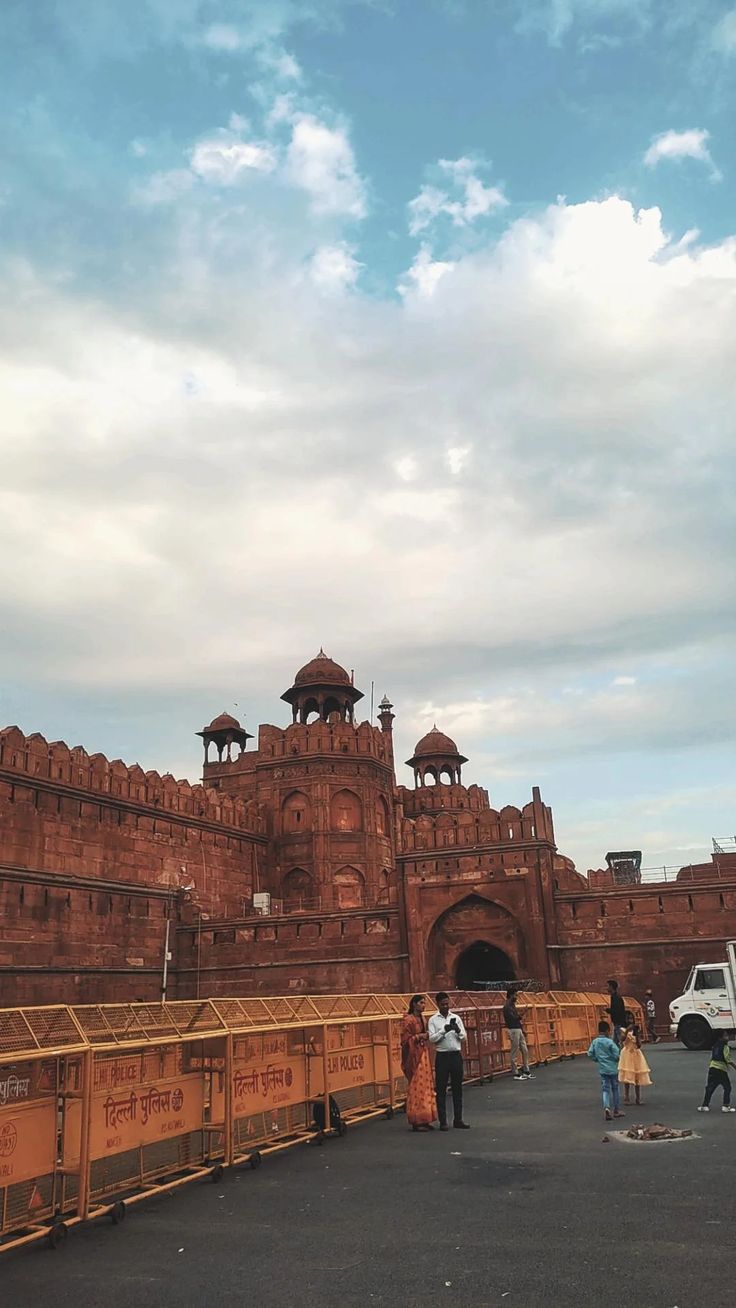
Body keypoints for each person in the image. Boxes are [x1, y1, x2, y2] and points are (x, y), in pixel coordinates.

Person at [428, 992, 470, 1130]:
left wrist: (457, 1030)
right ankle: (443, 1121)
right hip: (442, 1056)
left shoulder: (456, 1018)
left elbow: (463, 1038)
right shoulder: (433, 1020)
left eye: (447, 1004)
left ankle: (458, 1119)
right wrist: (443, 1031)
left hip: (455, 1055)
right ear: (438, 1004)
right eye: (443, 1004)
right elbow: (432, 1039)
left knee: (457, 1088)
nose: (446, 1006)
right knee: (441, 1089)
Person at [400, 995, 436, 1131]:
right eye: (421, 1003)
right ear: (414, 1004)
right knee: (417, 1088)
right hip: (414, 1056)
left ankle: (425, 1118)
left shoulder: (422, 1018)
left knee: (426, 1087)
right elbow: (404, 1041)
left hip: (423, 1053)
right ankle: (416, 1120)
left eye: (424, 1003)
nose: (423, 1005)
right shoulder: (408, 1020)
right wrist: (419, 1036)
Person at [587, 1019, 625, 1121]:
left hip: (603, 1069)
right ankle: (616, 1110)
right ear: (608, 1031)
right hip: (613, 1068)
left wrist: (597, 1059)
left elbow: (590, 1053)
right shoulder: (610, 1042)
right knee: (615, 1089)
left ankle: (607, 1108)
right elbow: (617, 1055)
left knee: (605, 1089)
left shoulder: (595, 1042)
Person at [698, 1030, 736, 1113]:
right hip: (721, 1069)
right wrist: (734, 1066)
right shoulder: (725, 1047)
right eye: (725, 1036)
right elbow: (727, 1059)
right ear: (721, 1037)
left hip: (712, 1068)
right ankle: (725, 1106)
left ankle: (705, 1105)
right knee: (727, 1087)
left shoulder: (715, 1046)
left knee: (710, 1088)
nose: (727, 1037)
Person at [503, 988, 534, 1080]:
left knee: (524, 1049)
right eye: (515, 995)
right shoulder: (507, 1006)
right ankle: (516, 1072)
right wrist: (523, 1013)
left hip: (517, 1029)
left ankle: (526, 1070)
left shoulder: (511, 1005)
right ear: (511, 995)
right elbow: (513, 1018)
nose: (516, 997)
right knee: (515, 1050)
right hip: (513, 1029)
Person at [618, 1021, 652, 1106]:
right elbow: (622, 1040)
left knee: (638, 1075)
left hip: (636, 1054)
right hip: (627, 1054)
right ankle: (626, 1097)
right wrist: (627, 1031)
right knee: (627, 1075)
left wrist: (637, 1035)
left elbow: (639, 1045)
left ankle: (638, 1098)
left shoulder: (636, 1032)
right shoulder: (622, 1030)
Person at [606, 979, 627, 1046]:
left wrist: (608, 1010)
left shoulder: (616, 997)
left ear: (611, 987)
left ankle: (624, 1055)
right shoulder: (616, 997)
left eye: (608, 986)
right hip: (617, 1023)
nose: (607, 988)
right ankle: (617, 1055)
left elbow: (617, 1010)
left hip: (618, 1023)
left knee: (620, 1042)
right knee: (615, 1042)